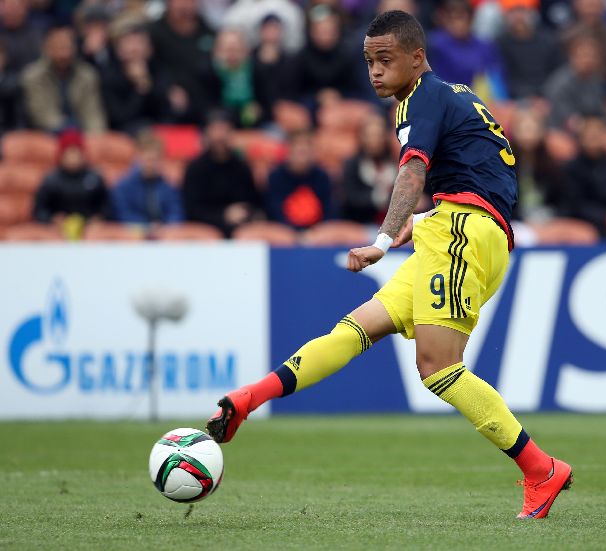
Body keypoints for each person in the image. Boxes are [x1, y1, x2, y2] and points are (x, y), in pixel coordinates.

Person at [206, 10, 572, 520]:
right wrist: (419, 224)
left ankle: (540, 469)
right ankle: (249, 398)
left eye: (386, 59)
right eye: (369, 61)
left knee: (438, 367)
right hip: (456, 228)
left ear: (417, 58)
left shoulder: (420, 97)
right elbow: (477, 169)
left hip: (463, 231)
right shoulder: (453, 94)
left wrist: (382, 237)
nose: (375, 71)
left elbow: (415, 168)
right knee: (355, 329)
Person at [181, 111, 262, 236]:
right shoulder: (195, 168)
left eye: (225, 130)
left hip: (239, 229)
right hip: (205, 228)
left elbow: (252, 202)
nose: (220, 136)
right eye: (216, 130)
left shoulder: (241, 167)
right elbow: (192, 209)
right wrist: (223, 215)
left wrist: (245, 212)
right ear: (207, 134)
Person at [21, 25, 107, 132]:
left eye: (67, 47)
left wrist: (96, 135)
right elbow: (41, 114)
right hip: (46, 133)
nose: (63, 53)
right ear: (47, 48)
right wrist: (69, 130)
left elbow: (93, 113)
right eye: (58, 47)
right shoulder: (33, 75)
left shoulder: (87, 74)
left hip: (83, 133)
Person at [561, 116, 606, 237]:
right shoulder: (572, 168)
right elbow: (574, 204)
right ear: (581, 139)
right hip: (583, 220)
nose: (594, 140)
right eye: (589, 136)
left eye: (597, 135)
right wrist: (605, 216)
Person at [32, 129, 108, 225]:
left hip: (90, 228)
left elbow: (106, 206)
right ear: (61, 155)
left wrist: (99, 218)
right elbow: (39, 211)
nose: (73, 158)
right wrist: (52, 219)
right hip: (58, 229)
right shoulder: (51, 180)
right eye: (69, 153)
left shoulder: (95, 178)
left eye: (76, 153)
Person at [265, 129, 335, 229]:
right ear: (288, 152)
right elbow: (274, 210)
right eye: (298, 151)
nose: (301, 157)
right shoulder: (276, 176)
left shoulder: (322, 176)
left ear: (312, 152)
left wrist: (317, 231)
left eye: (305, 152)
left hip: (318, 232)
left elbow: (329, 209)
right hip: (284, 231)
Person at [112, 131, 184, 226]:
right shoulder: (123, 186)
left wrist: (166, 226)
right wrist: (147, 226)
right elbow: (123, 214)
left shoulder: (169, 185)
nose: (151, 164)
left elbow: (176, 212)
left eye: (156, 159)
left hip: (165, 234)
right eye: (148, 159)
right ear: (137, 157)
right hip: (134, 234)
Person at [496, 0, 563, 100]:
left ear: (532, 13)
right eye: (513, 12)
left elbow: (557, 73)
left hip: (549, 96)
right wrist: (529, 97)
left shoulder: (549, 40)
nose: (518, 17)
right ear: (505, 15)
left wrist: (544, 96)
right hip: (515, 99)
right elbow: (504, 78)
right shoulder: (500, 44)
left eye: (522, 11)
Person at [340, 111, 397, 224]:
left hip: (394, 226)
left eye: (378, 135)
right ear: (361, 137)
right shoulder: (352, 165)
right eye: (369, 135)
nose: (373, 141)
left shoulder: (396, 164)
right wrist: (380, 197)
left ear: (385, 137)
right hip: (361, 225)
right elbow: (350, 199)